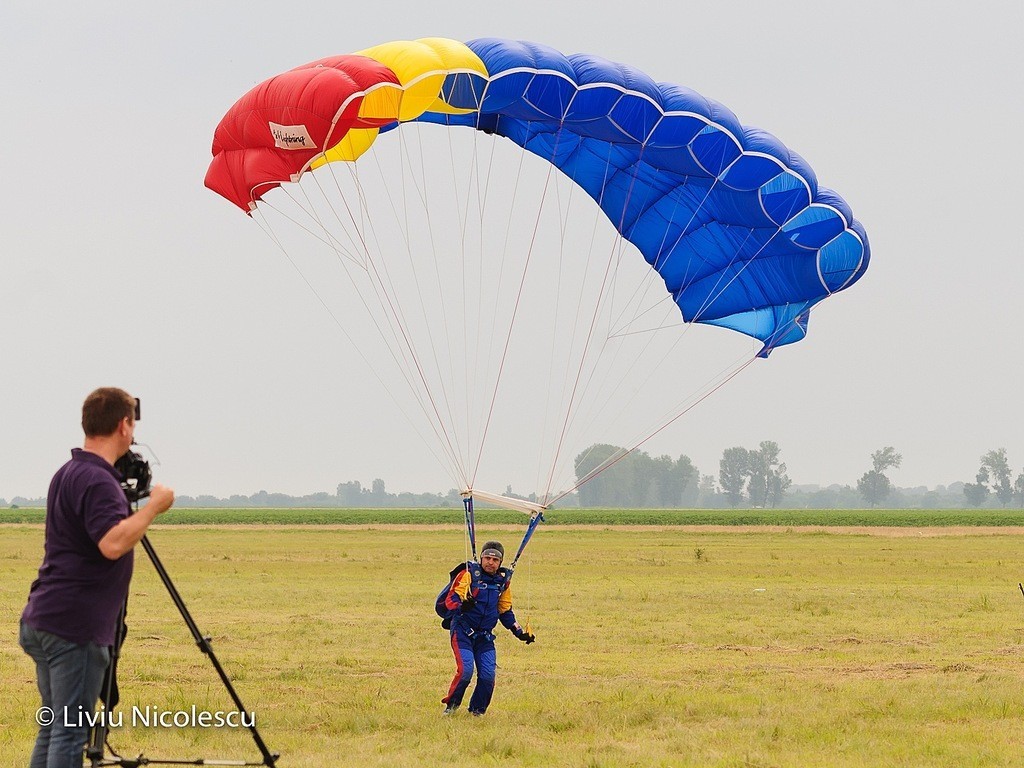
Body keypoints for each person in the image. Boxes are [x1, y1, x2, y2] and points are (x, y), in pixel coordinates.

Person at [19, 387, 175, 768]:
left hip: (45, 616)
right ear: (123, 425)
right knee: (71, 733)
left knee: (54, 726)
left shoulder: (69, 472)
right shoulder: (99, 482)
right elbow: (112, 543)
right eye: (132, 422)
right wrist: (152, 508)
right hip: (76, 627)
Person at [440, 540, 535, 716]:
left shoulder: (502, 582)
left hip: (484, 637)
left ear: (500, 563)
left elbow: (505, 610)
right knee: (466, 671)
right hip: (462, 631)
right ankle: (451, 706)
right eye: (487, 558)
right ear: (481, 558)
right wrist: (462, 606)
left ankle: (477, 712)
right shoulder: (468, 575)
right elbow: (451, 600)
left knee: (487, 676)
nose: (490, 562)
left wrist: (519, 632)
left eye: (495, 560)